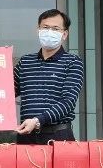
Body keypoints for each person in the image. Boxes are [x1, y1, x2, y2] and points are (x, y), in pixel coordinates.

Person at [14, 8, 85, 145]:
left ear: (64, 34)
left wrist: (37, 121)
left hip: (58, 136)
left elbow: (68, 102)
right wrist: (1, 65)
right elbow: (4, 92)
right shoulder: (25, 62)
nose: (49, 32)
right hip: (26, 136)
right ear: (38, 30)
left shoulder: (73, 62)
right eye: (45, 27)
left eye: (55, 29)